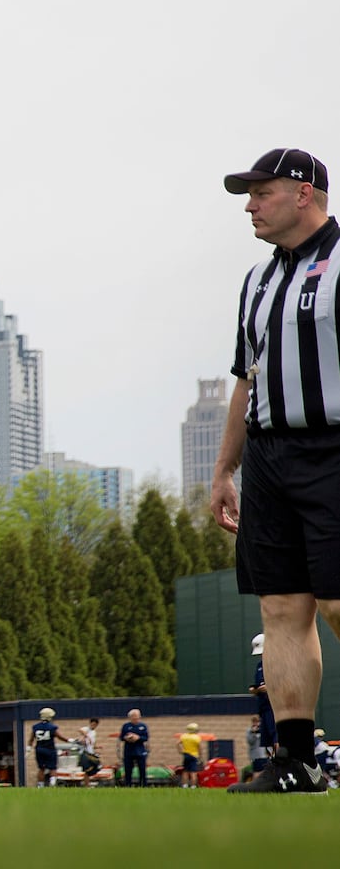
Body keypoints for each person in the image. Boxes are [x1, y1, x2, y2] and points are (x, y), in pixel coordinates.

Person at [211, 147, 340, 794]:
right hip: (268, 455)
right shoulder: (256, 282)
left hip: (334, 447)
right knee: (281, 604)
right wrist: (223, 469)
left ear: (303, 193)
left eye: (260, 192)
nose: (249, 205)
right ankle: (296, 761)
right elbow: (245, 377)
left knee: (339, 602)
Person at [247, 633, 278, 765]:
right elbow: (258, 684)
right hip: (263, 707)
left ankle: (281, 764)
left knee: (276, 736)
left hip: (275, 707)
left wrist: (271, 687)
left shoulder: (278, 663)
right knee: (266, 740)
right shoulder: (260, 666)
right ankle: (272, 765)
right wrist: (255, 690)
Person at [32, 707, 72, 787]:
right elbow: (59, 736)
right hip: (49, 749)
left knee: (41, 768)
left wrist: (28, 748)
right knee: (52, 768)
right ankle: (52, 783)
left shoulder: (36, 727)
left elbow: (31, 739)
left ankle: (40, 786)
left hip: (39, 749)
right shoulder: (51, 727)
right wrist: (69, 740)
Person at [119, 709, 149, 787]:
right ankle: (128, 785)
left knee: (142, 769)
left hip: (140, 751)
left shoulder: (143, 726)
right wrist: (127, 738)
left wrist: (138, 738)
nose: (136, 718)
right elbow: (121, 737)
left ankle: (143, 785)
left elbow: (146, 737)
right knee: (128, 769)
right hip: (129, 751)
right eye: (134, 716)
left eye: (137, 716)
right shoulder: (126, 726)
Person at [179, 722, 204, 788]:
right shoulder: (196, 737)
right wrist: (200, 756)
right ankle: (193, 786)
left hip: (186, 755)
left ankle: (185, 785)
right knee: (193, 772)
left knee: (185, 771)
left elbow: (177, 743)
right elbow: (199, 748)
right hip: (194, 755)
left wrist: (180, 750)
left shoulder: (184, 736)